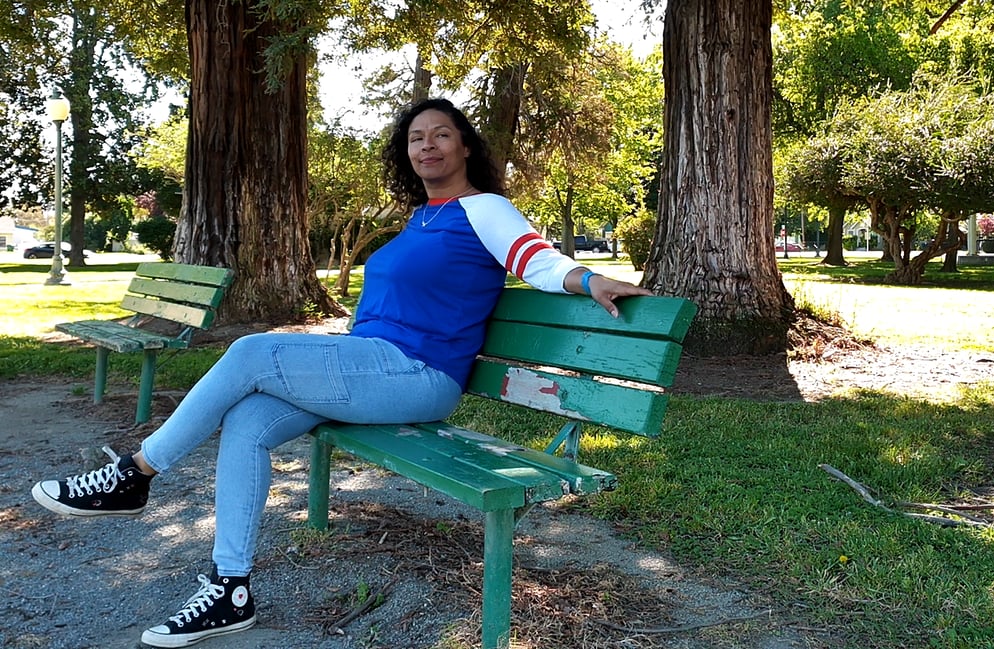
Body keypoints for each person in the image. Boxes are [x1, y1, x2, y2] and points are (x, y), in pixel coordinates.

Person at [30, 97, 652, 648]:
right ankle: (230, 588)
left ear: (465, 146)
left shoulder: (483, 207)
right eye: (415, 138)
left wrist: (591, 279)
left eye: (440, 134)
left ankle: (133, 475)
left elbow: (534, 258)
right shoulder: (421, 217)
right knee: (247, 420)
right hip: (370, 366)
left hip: (417, 374)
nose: (426, 145)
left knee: (249, 352)